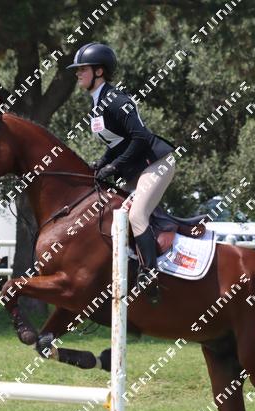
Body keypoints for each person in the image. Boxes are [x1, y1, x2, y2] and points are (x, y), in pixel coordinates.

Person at [67, 42, 176, 304]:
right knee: (111, 212)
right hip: (137, 168)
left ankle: (150, 275)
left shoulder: (117, 101)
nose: (78, 74)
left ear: (99, 72)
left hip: (157, 163)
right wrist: (101, 163)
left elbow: (141, 137)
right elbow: (117, 143)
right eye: (77, 70)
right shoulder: (97, 105)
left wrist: (115, 166)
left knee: (136, 215)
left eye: (82, 69)